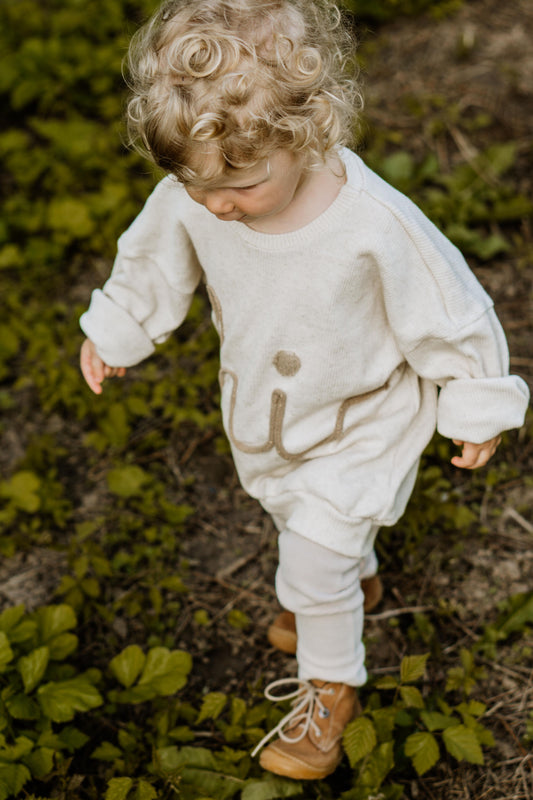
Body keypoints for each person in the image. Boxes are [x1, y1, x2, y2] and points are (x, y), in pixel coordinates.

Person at [79, 0, 530, 781]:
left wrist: (476, 398)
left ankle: (332, 691)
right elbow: (150, 258)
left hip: (362, 422)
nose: (218, 204)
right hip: (269, 414)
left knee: (312, 553)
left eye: (242, 185)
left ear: (305, 129)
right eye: (195, 185)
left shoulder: (372, 225)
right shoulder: (204, 185)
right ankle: (342, 571)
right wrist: (118, 327)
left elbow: (450, 314)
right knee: (297, 520)